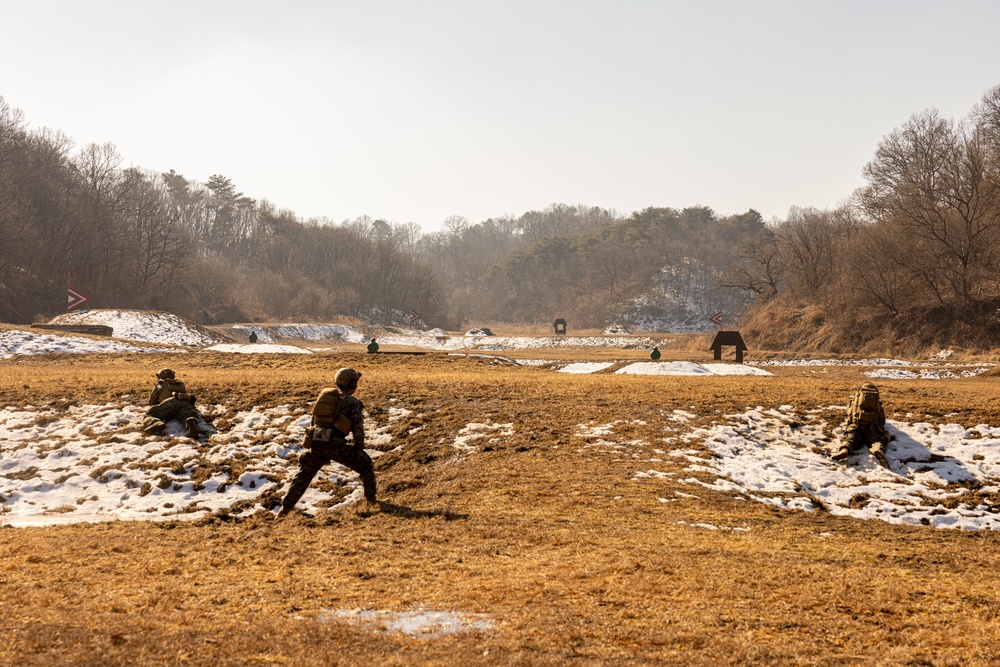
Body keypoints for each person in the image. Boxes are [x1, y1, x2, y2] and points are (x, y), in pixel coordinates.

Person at [278, 367, 377, 516]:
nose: (356, 386)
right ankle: (372, 502)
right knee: (366, 465)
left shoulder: (325, 396)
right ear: (350, 385)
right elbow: (358, 428)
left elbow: (314, 421)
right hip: (335, 444)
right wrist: (358, 448)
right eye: (355, 383)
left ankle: (284, 510)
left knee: (304, 475)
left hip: (317, 442)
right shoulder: (352, 401)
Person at [832, 382, 890, 467]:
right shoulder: (877, 404)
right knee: (875, 440)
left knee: (850, 438)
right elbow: (882, 421)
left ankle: (845, 449)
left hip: (856, 425)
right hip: (872, 427)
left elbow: (849, 414)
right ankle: (877, 450)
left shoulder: (854, 402)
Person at [142, 368, 203, 439]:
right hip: (184, 402)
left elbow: (152, 403)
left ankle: (156, 423)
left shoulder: (159, 386)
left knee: (150, 413)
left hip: (169, 403)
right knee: (188, 414)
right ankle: (191, 421)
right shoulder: (180, 384)